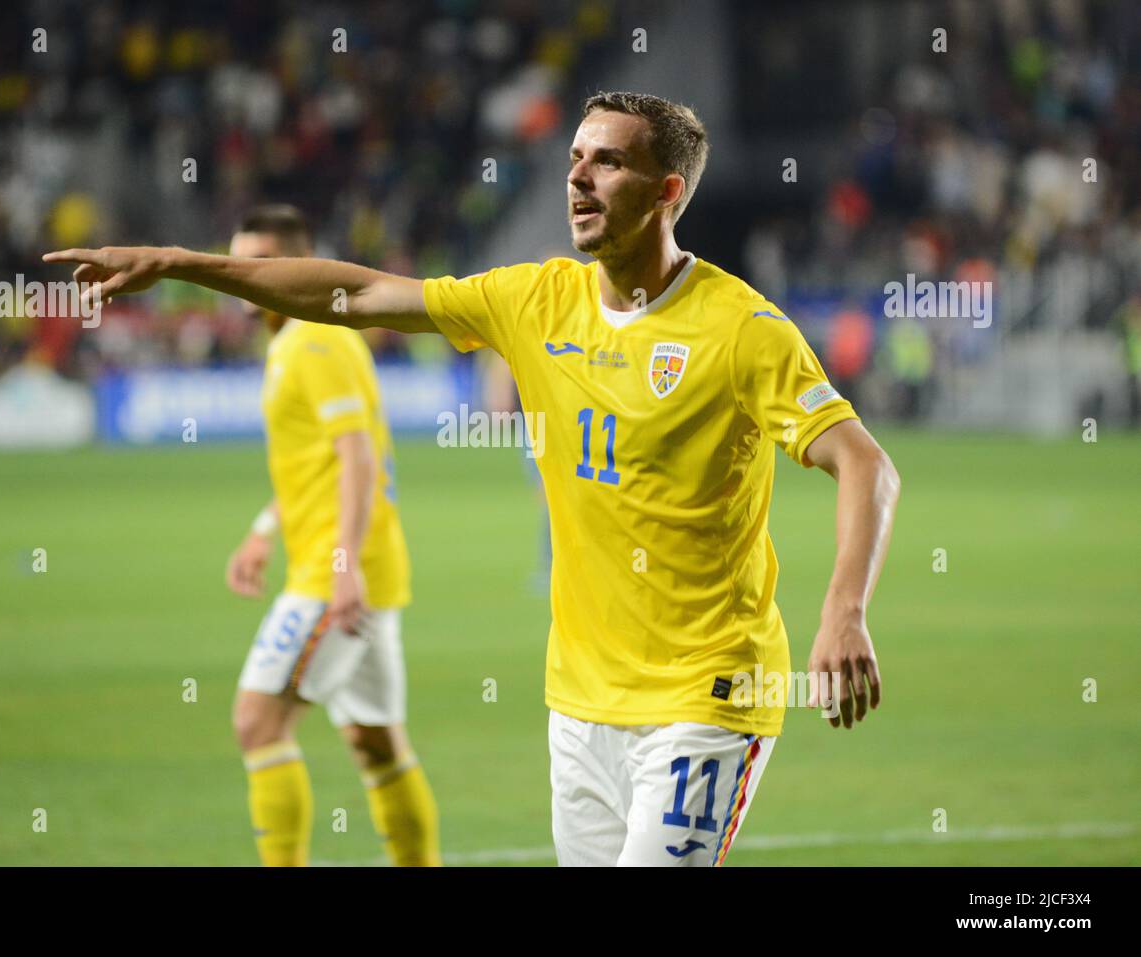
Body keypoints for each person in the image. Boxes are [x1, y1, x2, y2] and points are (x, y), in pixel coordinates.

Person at [45, 90, 900, 868]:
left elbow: (864, 461)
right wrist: (184, 264)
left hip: (708, 695)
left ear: (668, 191)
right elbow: (359, 293)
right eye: (574, 158)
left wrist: (844, 609)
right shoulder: (533, 301)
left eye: (607, 161)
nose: (579, 177)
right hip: (579, 700)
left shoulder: (741, 328)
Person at [220, 204, 439, 866]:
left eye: (257, 261)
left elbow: (357, 457)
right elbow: (318, 464)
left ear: (295, 266)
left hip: (335, 573)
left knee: (258, 721)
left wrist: (343, 567)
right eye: (235, 260)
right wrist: (265, 529)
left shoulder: (316, 338)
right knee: (376, 742)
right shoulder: (296, 339)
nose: (239, 275)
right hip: (355, 566)